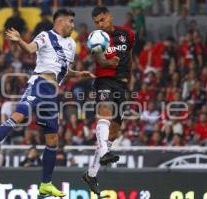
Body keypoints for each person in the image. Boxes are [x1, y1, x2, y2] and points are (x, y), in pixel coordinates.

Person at [0, 8, 94, 197]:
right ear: (59, 22)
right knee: (18, 115)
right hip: (39, 84)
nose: (72, 25)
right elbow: (30, 48)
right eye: (70, 21)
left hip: (53, 93)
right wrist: (20, 41)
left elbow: (64, 69)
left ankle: (45, 183)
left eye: (73, 22)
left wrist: (78, 74)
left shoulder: (71, 44)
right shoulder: (46, 36)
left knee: (53, 140)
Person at [82, 6, 135, 195]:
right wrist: (108, 62)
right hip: (104, 80)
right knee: (104, 112)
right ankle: (104, 153)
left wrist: (131, 81)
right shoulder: (96, 37)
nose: (100, 24)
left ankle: (91, 173)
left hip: (122, 85)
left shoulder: (127, 34)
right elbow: (100, 60)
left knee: (113, 133)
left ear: (110, 16)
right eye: (96, 22)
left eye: (102, 20)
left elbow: (129, 57)